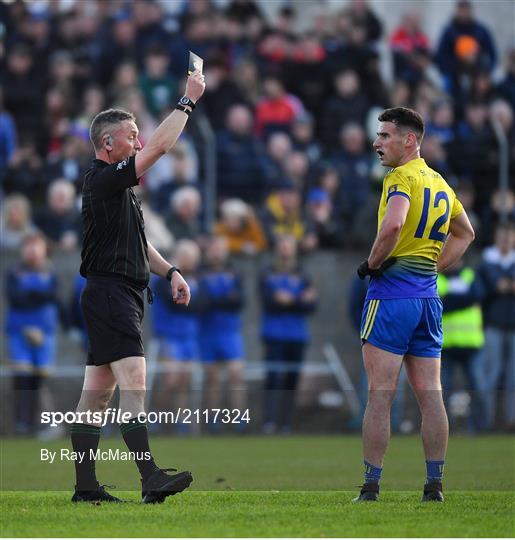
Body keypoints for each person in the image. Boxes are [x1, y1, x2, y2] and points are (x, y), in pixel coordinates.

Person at [70, 69, 205, 504]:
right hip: (111, 293)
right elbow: (164, 145)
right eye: (131, 135)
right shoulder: (103, 178)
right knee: (134, 380)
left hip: (114, 293)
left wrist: (171, 272)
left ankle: (86, 488)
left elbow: (140, 241)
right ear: (108, 144)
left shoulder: (118, 188)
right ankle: (149, 478)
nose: (139, 142)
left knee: (96, 395)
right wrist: (188, 100)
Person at [354, 107, 474, 503]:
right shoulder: (440, 183)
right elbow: (466, 233)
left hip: (390, 297)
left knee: (380, 394)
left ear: (410, 140)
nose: (377, 143)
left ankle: (371, 487)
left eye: (385, 136)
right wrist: (432, 268)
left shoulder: (400, 178)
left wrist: (371, 264)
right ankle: (434, 486)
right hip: (427, 298)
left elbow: (392, 224)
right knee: (431, 395)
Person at [259, 234, 317, 434]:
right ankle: (269, 421)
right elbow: (270, 301)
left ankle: (286, 423)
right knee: (273, 378)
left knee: (292, 380)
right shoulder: (267, 272)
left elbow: (311, 305)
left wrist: (289, 300)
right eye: (281, 244)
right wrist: (299, 299)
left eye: (288, 244)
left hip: (297, 335)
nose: (285, 249)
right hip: (273, 334)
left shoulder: (303, 274)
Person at [5, 233, 60, 435]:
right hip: (20, 331)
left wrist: (33, 295)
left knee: (41, 378)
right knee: (22, 377)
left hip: (45, 332)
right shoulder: (14, 272)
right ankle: (21, 423)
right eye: (28, 246)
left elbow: (52, 295)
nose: (32, 250)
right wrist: (38, 296)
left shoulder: (50, 271)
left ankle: (43, 423)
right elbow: (16, 298)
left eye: (36, 246)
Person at [198, 236, 246, 432]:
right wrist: (225, 299)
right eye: (214, 248)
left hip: (230, 332)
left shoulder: (235, 273)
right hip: (207, 331)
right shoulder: (200, 274)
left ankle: (239, 421)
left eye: (220, 248)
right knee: (213, 377)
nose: (217, 252)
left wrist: (216, 300)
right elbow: (202, 302)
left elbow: (239, 301)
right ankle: (213, 421)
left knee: (236, 374)